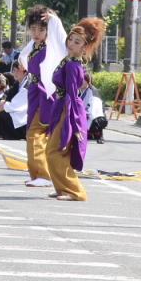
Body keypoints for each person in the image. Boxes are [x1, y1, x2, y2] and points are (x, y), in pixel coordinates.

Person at [46, 17, 106, 201]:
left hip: (68, 107)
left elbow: (72, 93)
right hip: (62, 104)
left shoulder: (73, 65)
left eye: (77, 42)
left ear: (84, 47)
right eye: (71, 39)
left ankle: (74, 191)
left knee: (56, 150)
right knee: (54, 149)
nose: (71, 43)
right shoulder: (69, 60)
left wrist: (70, 118)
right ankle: (61, 188)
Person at [19, 6, 67, 189]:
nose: (36, 33)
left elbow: (62, 39)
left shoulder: (54, 47)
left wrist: (54, 20)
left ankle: (43, 174)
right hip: (34, 91)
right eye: (33, 29)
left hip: (46, 93)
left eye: (41, 29)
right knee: (35, 132)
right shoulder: (33, 47)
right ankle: (39, 173)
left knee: (35, 133)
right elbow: (24, 58)